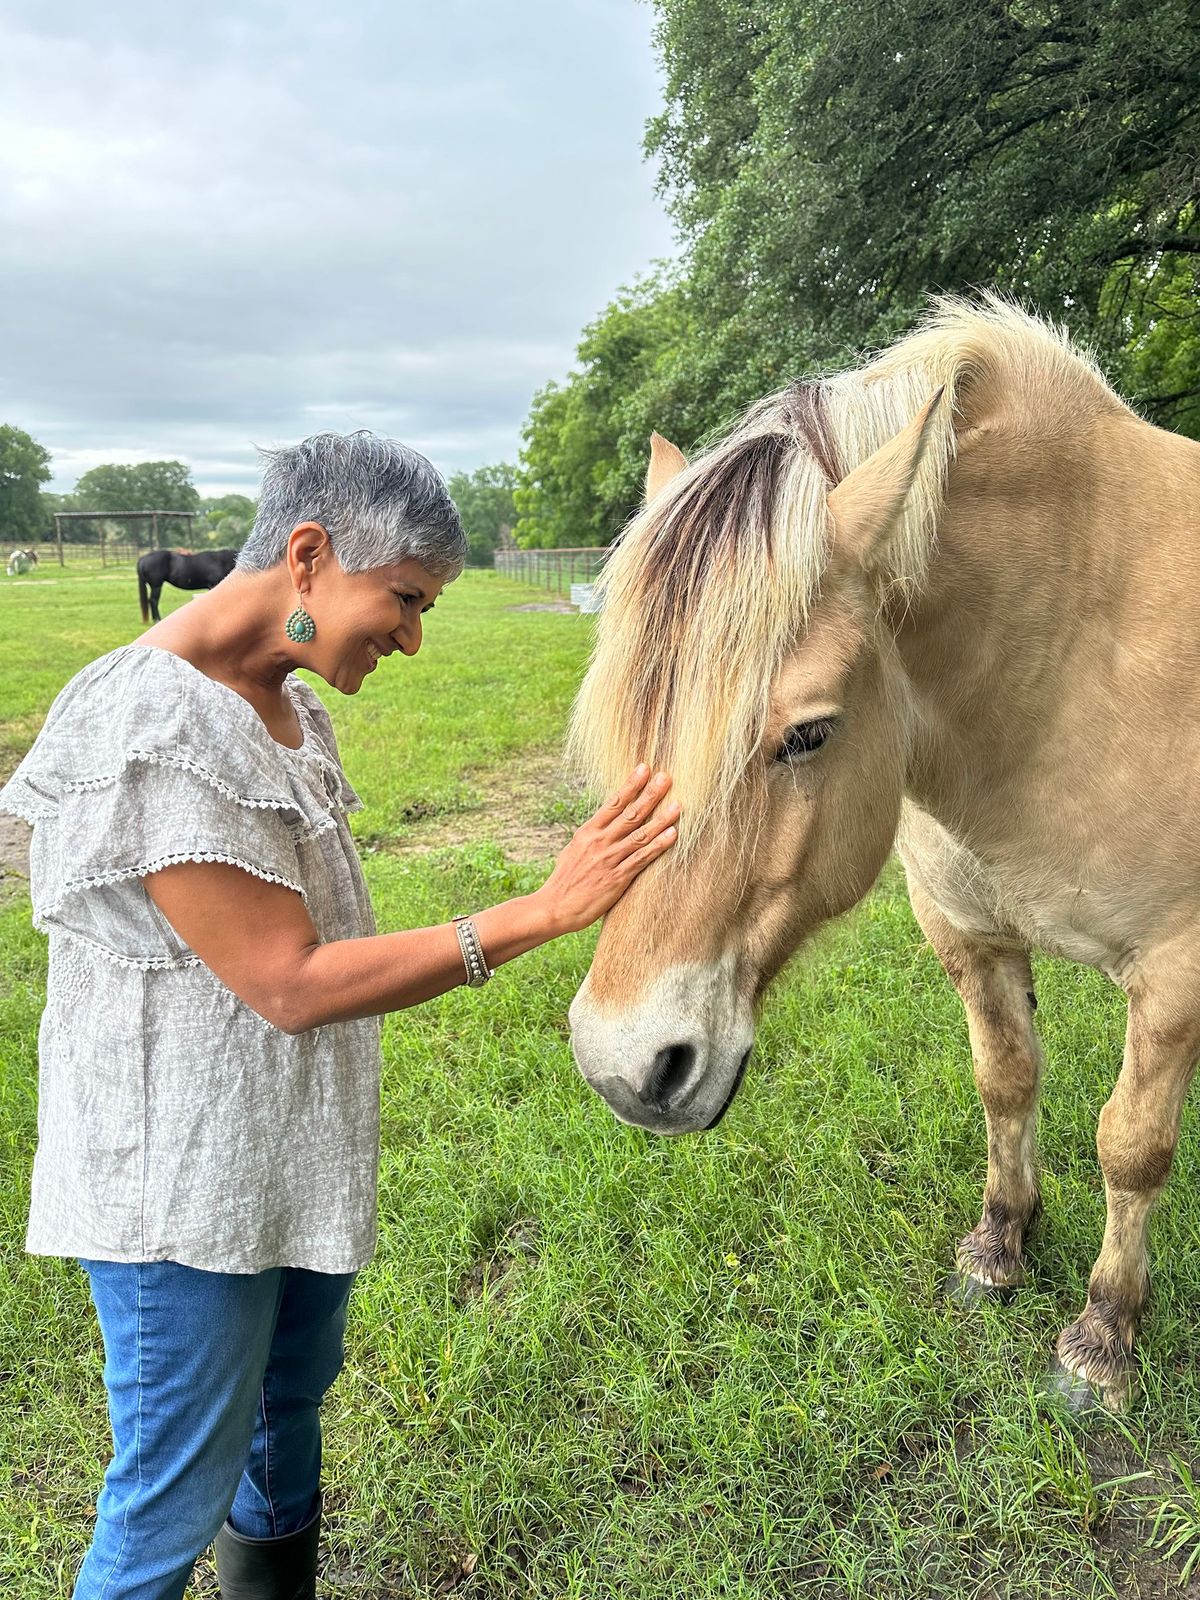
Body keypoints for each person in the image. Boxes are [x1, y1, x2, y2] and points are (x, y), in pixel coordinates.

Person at [0, 432, 679, 1600]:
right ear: (308, 556)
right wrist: (539, 913)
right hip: (184, 1195)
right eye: (405, 599)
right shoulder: (154, 723)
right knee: (167, 1500)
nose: (412, 635)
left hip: (281, 1161)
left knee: (283, 1420)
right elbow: (288, 981)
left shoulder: (286, 706)